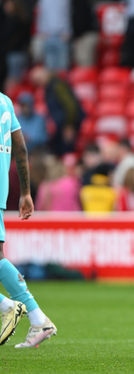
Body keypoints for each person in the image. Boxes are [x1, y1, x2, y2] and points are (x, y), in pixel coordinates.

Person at [0, 91, 57, 347]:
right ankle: (36, 317)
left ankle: (8, 307)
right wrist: (25, 192)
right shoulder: (5, 101)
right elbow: (20, 148)